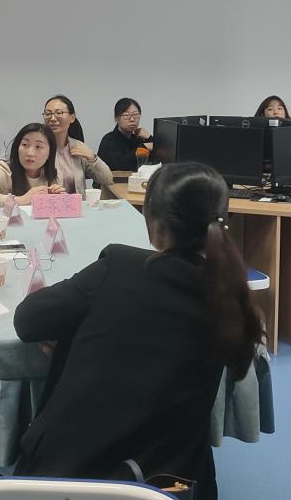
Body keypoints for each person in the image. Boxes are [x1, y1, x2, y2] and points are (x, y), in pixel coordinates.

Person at [13, 162, 264, 499]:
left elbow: (28, 320)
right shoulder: (231, 300)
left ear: (155, 226)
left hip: (64, 479)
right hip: (168, 482)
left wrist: (73, 337)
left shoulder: (119, 267)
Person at [0, 124, 65, 206]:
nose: (30, 153)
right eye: (25, 145)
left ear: (50, 153)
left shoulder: (53, 175)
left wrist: (59, 200)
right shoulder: (5, 170)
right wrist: (20, 200)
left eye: (38, 146)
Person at [43, 95, 112, 194]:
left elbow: (107, 179)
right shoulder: (39, 148)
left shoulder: (78, 146)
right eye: (48, 114)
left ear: (72, 117)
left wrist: (92, 157)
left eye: (59, 113)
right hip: (50, 203)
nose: (52, 118)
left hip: (79, 203)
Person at [97, 97, 153, 171]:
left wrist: (149, 137)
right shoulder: (109, 140)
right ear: (116, 118)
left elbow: (158, 157)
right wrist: (143, 147)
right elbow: (120, 165)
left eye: (135, 114)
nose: (132, 119)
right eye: (126, 115)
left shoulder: (138, 138)